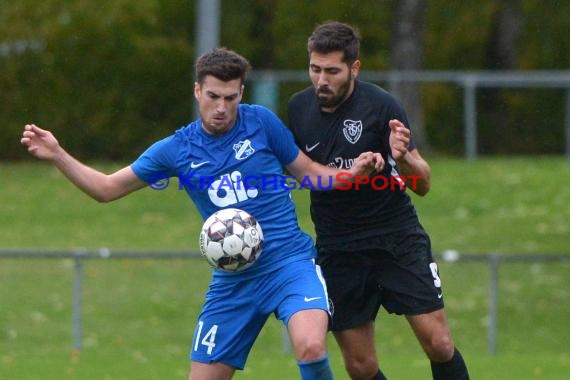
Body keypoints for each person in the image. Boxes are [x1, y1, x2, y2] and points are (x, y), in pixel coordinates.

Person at [21, 47, 384, 380]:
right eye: (213, 96)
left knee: (311, 346)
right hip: (234, 280)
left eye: (230, 97)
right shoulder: (176, 149)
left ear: (241, 93)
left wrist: (351, 174)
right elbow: (105, 188)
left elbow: (310, 174)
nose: (221, 107)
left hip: (290, 265)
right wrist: (58, 155)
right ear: (198, 91)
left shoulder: (261, 123)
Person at [287, 21, 470, 380]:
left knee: (439, 343)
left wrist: (403, 158)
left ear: (354, 68)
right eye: (315, 69)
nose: (321, 80)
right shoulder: (297, 109)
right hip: (338, 247)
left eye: (332, 71)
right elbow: (296, 169)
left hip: (395, 237)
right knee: (360, 367)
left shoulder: (382, 105)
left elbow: (422, 184)